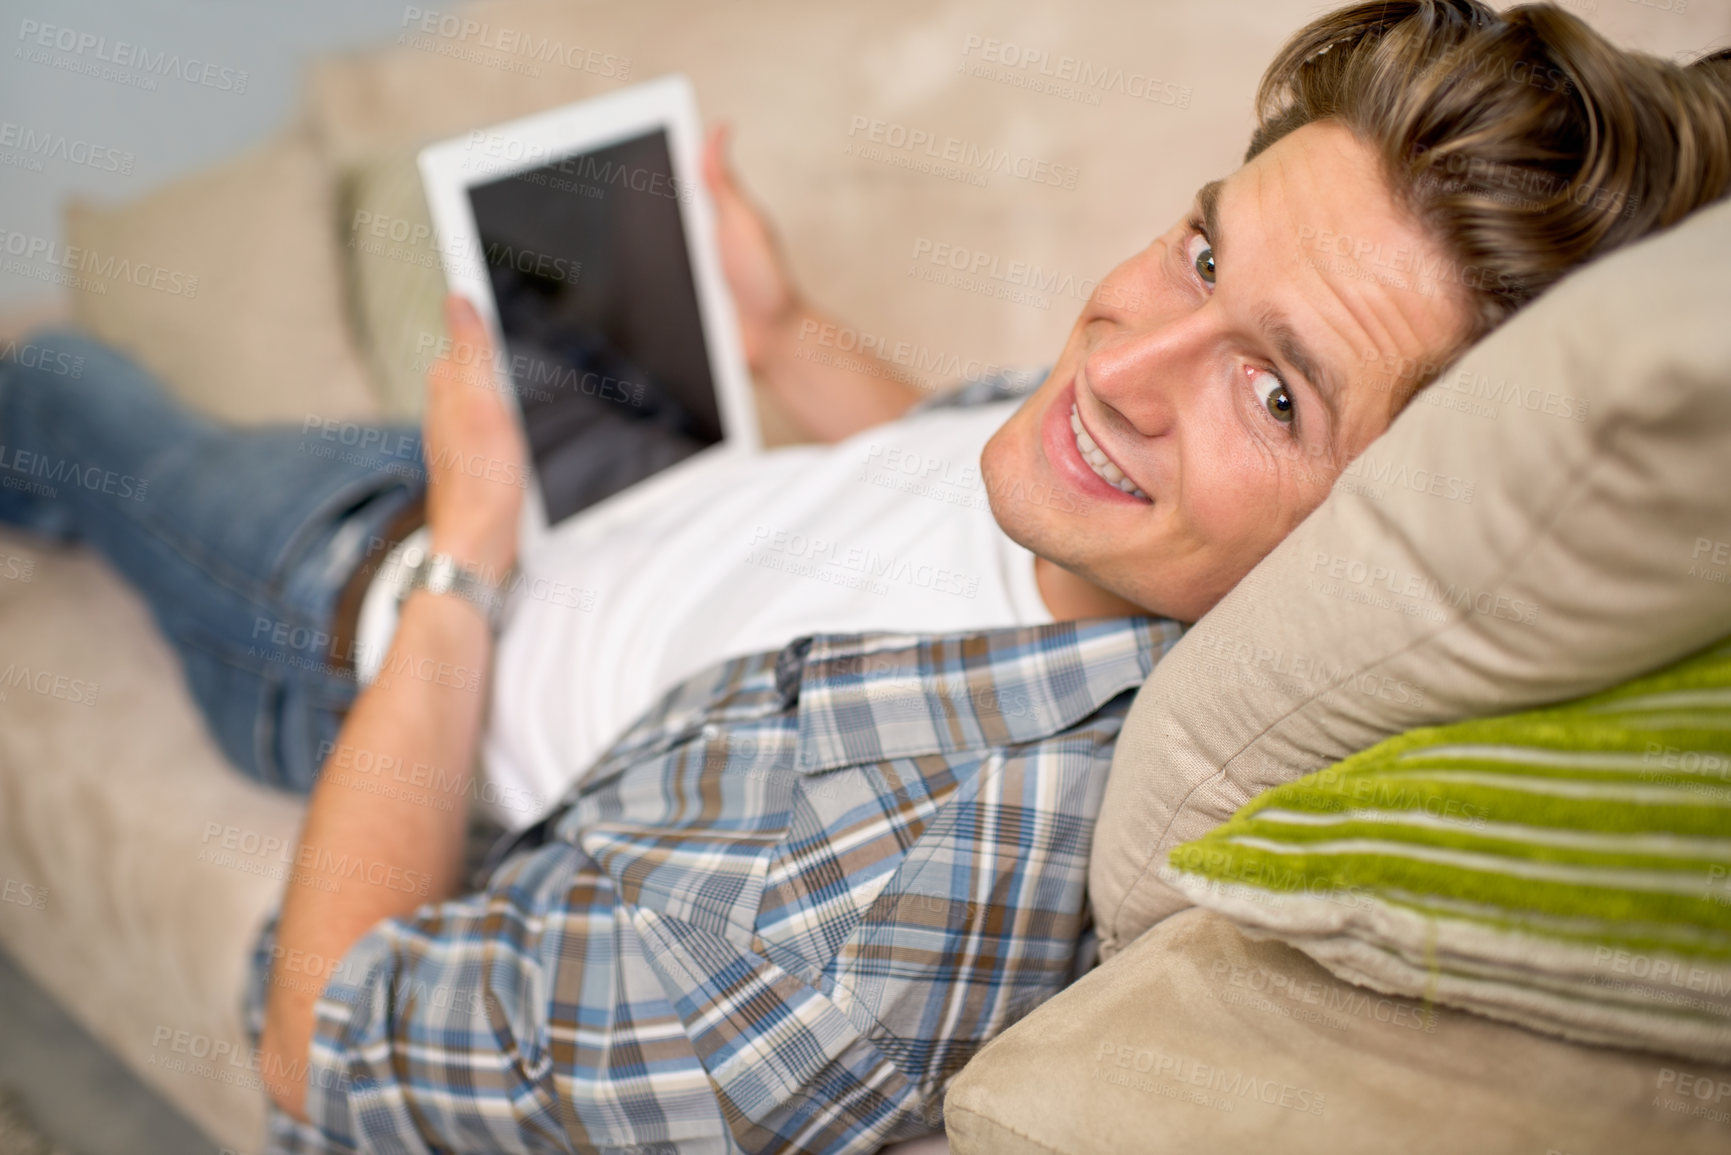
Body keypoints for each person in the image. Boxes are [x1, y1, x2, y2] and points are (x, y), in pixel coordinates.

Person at [1, 3, 1726, 1151]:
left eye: (1275, 388)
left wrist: (459, 555)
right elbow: (971, 471)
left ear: (1376, 524)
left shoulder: (828, 946)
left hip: (384, 619)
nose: (1123, 360)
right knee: (470, 247)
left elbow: (324, 1054)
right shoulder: (1123, 506)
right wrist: (780, 333)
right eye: (1204, 246)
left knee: (77, 397)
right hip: (648, 482)